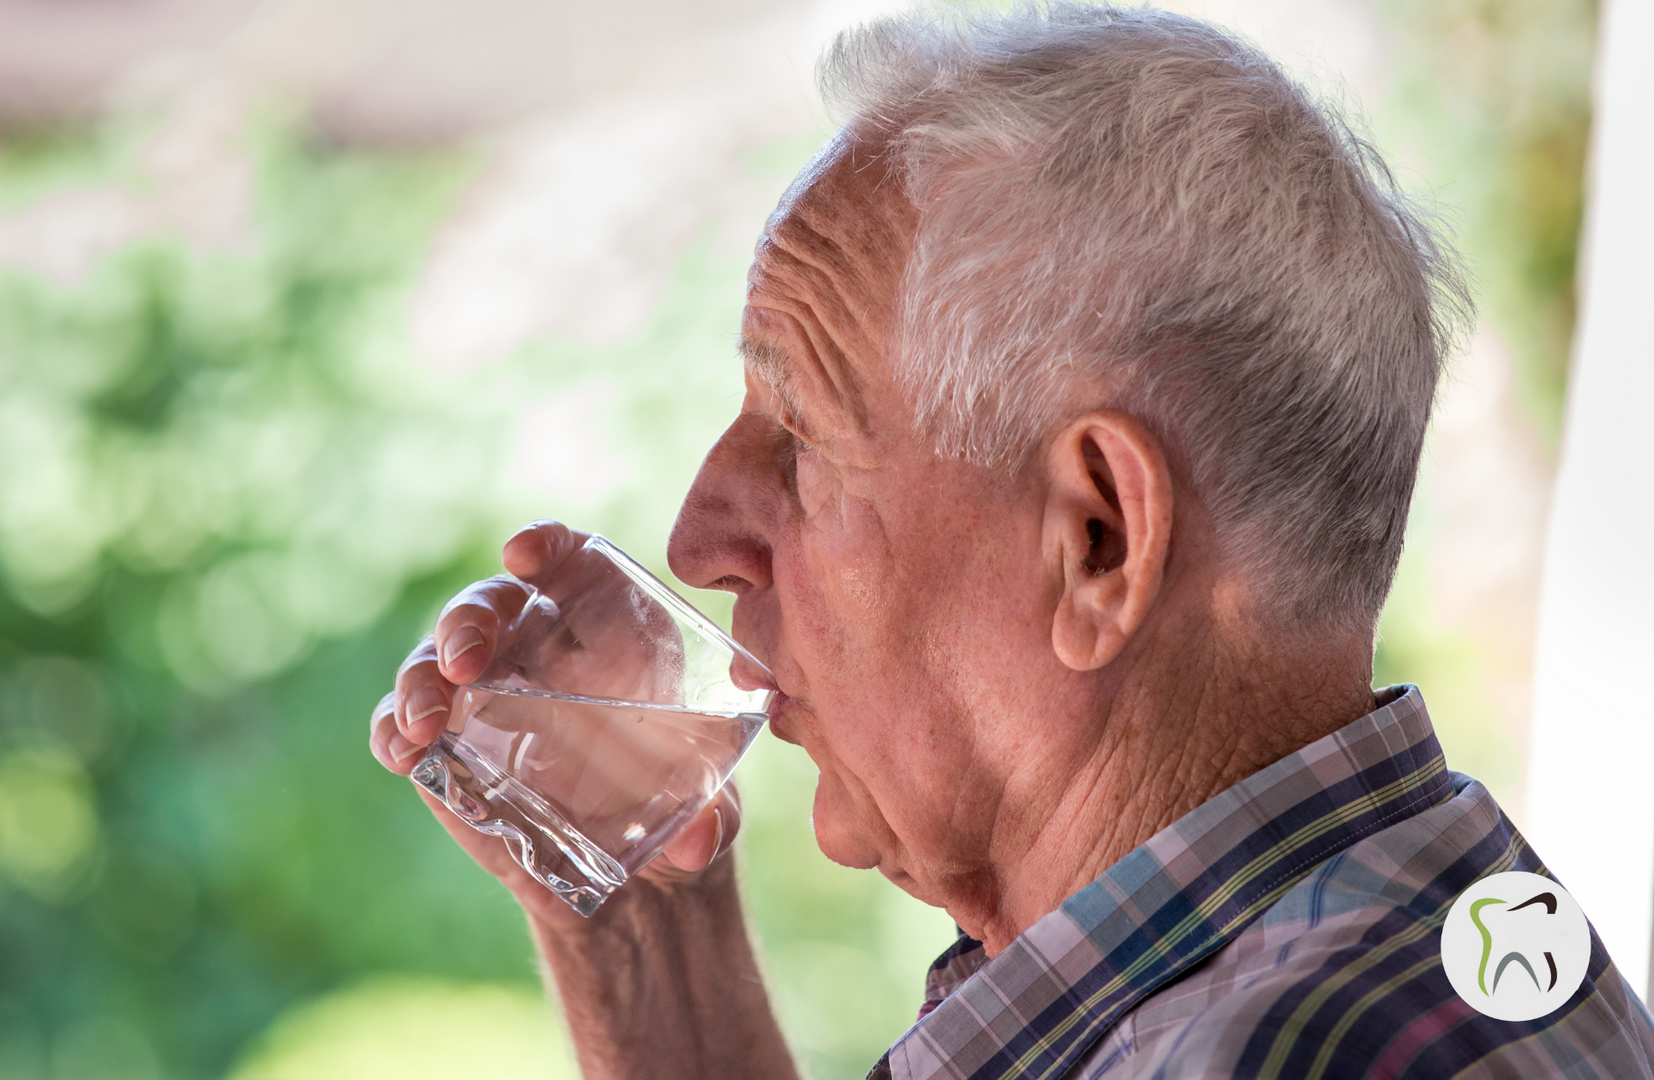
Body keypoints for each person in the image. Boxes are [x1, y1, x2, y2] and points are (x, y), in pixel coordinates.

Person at [371, 6, 1654, 1078]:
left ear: (1098, 541)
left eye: (802, 436)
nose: (699, 535)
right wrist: (647, 926)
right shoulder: (1358, 932)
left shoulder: (1276, 1049)